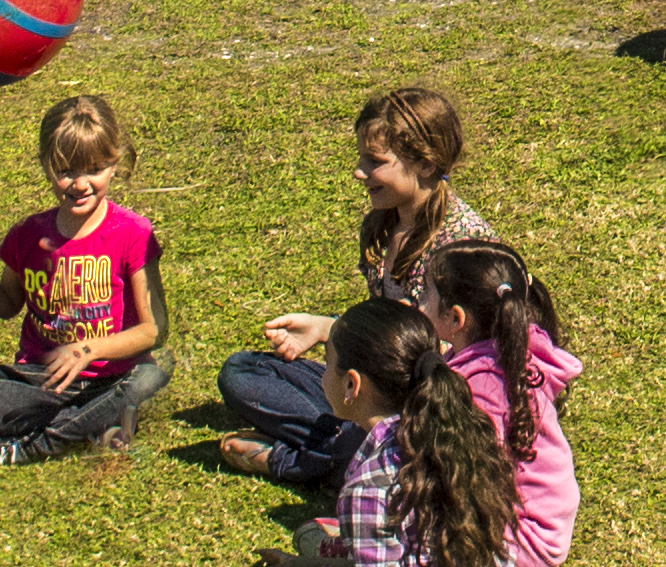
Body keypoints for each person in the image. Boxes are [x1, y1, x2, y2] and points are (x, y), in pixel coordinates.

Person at [189, 301, 530, 567]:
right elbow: (417, 559)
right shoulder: (454, 436)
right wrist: (315, 565)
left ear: (351, 384)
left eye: (326, 366)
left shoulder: (372, 487)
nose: (322, 377)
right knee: (311, 555)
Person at [213, 83, 505, 493]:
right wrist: (325, 328)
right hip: (374, 389)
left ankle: (308, 460)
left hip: (428, 406)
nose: (359, 172)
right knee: (242, 372)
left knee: (372, 431)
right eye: (361, 158)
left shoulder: (463, 249)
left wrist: (338, 339)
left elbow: (449, 358)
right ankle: (348, 450)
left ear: (425, 164)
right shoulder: (385, 223)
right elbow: (385, 331)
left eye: (375, 162)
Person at [0, 91, 168, 464]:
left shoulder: (133, 233)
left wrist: (87, 350)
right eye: (66, 170)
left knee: (149, 377)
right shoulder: (28, 235)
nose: (80, 184)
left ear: (114, 164)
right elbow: (9, 301)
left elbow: (153, 331)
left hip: (111, 376)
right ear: (45, 165)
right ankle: (91, 425)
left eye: (94, 169)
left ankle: (23, 447)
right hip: (44, 380)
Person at [427, 236, 587, 567]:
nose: (420, 305)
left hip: (523, 540)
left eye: (426, 296)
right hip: (540, 524)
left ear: (455, 318)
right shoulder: (511, 348)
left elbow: (466, 473)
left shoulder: (483, 387)